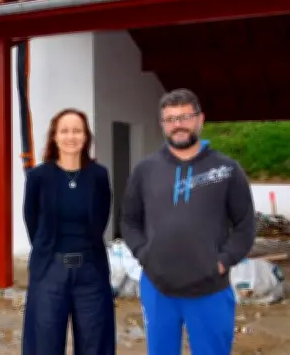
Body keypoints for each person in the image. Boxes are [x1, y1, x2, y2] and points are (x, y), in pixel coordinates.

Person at [121, 89, 256, 355]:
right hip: (158, 288)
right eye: (170, 119)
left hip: (210, 289)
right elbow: (129, 220)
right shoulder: (145, 170)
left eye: (185, 117)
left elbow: (245, 225)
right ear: (162, 125)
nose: (178, 125)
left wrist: (223, 260)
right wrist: (144, 254)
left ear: (200, 119)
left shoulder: (226, 170)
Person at [22, 108, 116, 355]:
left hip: (90, 272)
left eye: (77, 130)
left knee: (95, 343)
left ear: (86, 137)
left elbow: (102, 218)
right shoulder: (38, 177)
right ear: (54, 136)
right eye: (64, 131)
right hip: (50, 271)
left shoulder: (98, 175)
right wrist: (48, 251)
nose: (71, 136)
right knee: (45, 343)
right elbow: (32, 221)